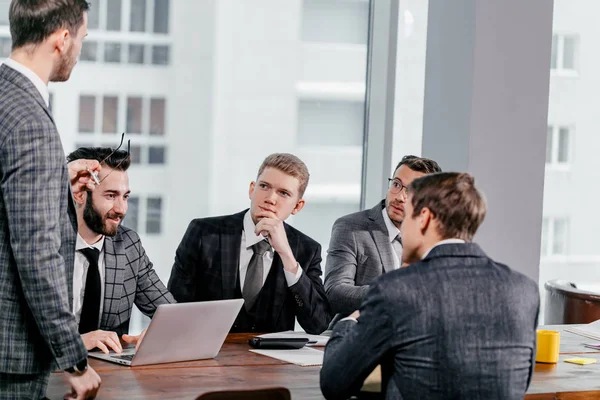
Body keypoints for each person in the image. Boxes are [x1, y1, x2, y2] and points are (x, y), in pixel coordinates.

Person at [320, 172, 540, 400]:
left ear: (424, 218)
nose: (403, 230)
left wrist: (349, 321)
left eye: (408, 219)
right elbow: (519, 382)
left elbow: (335, 383)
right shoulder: (524, 290)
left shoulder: (395, 290)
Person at [0, 1, 102, 398]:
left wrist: (56, 176)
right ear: (62, 39)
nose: (80, 49)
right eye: (82, 38)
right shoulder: (31, 123)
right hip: (11, 358)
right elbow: (36, 253)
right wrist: (73, 358)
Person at [168, 153, 331, 334]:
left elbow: (319, 324)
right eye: (264, 186)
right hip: (208, 355)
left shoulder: (307, 250)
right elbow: (174, 309)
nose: (270, 198)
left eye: (283, 193)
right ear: (252, 189)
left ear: (297, 206)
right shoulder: (204, 233)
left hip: (274, 361)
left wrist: (287, 255)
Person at [67, 147, 176, 354]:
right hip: (50, 373)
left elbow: (172, 314)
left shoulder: (128, 244)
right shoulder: (44, 243)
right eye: (110, 195)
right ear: (80, 194)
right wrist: (76, 343)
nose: (122, 209)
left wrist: (159, 333)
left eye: (125, 197)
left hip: (110, 375)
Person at [324, 155, 441, 316]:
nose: (399, 197)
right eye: (396, 184)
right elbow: (335, 293)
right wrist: (393, 291)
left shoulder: (432, 238)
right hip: (361, 334)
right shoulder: (351, 228)